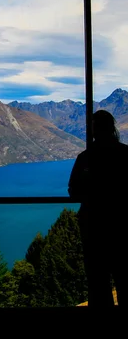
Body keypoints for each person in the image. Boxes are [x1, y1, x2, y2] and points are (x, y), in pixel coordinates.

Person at [68, 109, 128, 308]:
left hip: (93, 226)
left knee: (97, 280)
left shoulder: (85, 157)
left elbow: (73, 190)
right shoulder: (125, 154)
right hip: (121, 225)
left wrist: (91, 195)